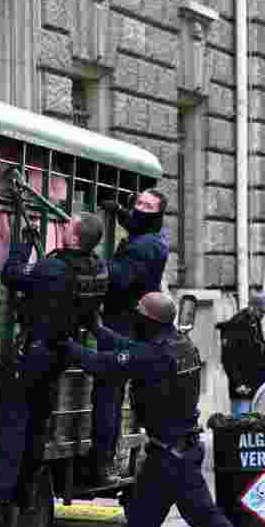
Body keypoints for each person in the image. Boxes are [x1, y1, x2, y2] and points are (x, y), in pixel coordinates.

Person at [63, 292, 265, 527]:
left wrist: (64, 345)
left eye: (139, 317)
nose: (135, 320)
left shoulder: (157, 355)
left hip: (174, 458)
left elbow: (106, 363)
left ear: (149, 322)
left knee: (210, 523)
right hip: (169, 451)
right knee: (141, 517)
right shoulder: (178, 344)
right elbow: (128, 351)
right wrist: (97, 328)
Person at [0, 211, 108, 505]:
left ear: (75, 238)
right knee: (38, 423)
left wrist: (23, 244)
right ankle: (25, 491)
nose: (63, 225)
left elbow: (12, 274)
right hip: (60, 354)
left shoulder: (55, 268)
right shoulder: (98, 269)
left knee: (14, 421)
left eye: (69, 225)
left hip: (35, 353)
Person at [91, 189, 169, 486]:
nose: (139, 209)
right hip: (126, 323)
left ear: (158, 214)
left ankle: (103, 461)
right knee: (111, 394)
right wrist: (121, 213)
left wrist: (91, 261)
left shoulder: (146, 247)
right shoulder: (150, 237)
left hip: (122, 324)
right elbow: (138, 225)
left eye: (147, 206)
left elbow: (120, 277)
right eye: (137, 203)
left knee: (108, 394)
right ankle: (107, 458)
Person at [216, 295, 265, 418]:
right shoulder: (236, 324)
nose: (262, 315)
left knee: (258, 423)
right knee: (242, 422)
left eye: (264, 312)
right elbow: (227, 359)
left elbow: (259, 347)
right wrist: (238, 383)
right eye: (261, 311)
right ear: (251, 308)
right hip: (243, 385)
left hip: (257, 382)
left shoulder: (255, 321)